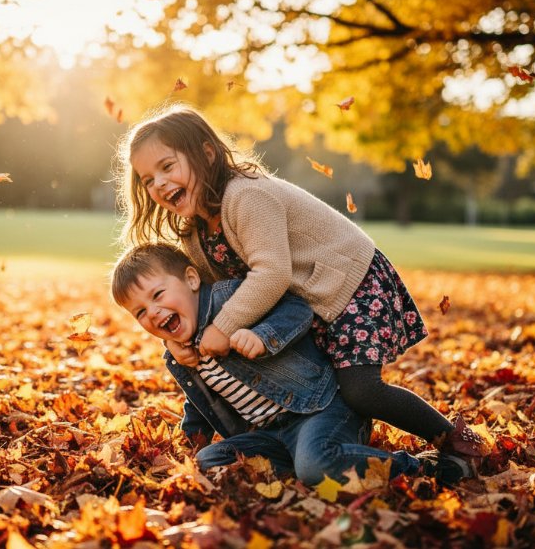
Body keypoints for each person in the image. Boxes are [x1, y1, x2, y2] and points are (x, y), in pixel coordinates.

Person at [115, 103, 487, 478]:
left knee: (360, 390)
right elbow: (207, 298)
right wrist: (180, 343)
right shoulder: (195, 231)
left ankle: (454, 440)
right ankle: (310, 448)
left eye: (167, 166)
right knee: (326, 392)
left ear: (206, 153)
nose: (159, 184)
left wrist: (222, 328)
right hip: (302, 303)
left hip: (346, 286)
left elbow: (271, 274)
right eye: (148, 179)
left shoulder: (245, 196)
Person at [111, 243, 429, 486]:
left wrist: (263, 336)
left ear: (191, 279)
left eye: (157, 295)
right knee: (210, 460)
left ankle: (419, 468)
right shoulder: (179, 353)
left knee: (316, 465)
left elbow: (296, 309)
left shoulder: (233, 301)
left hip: (324, 409)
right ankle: (307, 463)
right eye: (139, 312)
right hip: (271, 434)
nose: (152, 312)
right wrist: (192, 440)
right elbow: (200, 401)